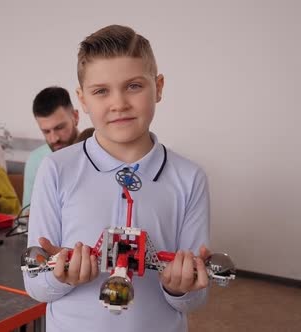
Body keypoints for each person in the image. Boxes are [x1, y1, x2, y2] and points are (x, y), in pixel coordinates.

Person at [23, 25, 211, 332]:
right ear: (82, 101)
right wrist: (59, 276)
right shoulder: (56, 169)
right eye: (101, 91)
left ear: (158, 87)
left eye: (134, 86)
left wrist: (180, 287)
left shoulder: (190, 178)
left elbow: (196, 295)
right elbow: (35, 285)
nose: (119, 103)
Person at [22, 87, 79, 207]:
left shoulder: (99, 152)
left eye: (60, 128)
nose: (54, 139)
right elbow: (27, 215)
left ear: (75, 117)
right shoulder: (35, 160)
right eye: (46, 131)